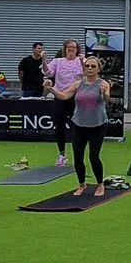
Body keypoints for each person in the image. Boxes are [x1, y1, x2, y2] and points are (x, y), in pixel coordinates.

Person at [60, 53, 113, 195]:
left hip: (97, 125)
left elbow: (106, 97)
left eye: (93, 66)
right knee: (78, 157)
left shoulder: (103, 84)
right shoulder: (78, 84)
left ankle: (100, 184)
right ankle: (81, 184)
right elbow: (64, 96)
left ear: (98, 69)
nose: (89, 68)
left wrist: (105, 94)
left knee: (93, 156)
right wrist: (51, 89)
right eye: (87, 66)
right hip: (79, 124)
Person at [46, 39, 83, 167]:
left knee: (76, 127)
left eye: (73, 47)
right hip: (60, 96)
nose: (71, 49)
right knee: (59, 127)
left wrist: (82, 62)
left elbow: (85, 74)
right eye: (69, 47)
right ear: (65, 49)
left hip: (75, 97)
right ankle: (62, 154)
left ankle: (77, 155)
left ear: (77, 49)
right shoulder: (58, 61)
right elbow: (48, 72)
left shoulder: (80, 61)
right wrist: (43, 60)